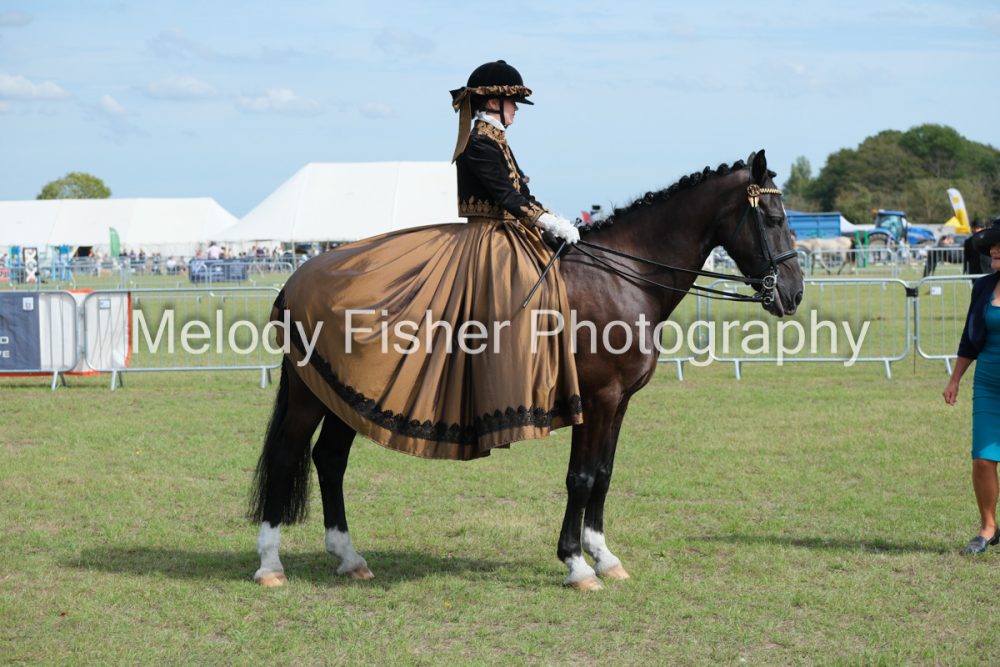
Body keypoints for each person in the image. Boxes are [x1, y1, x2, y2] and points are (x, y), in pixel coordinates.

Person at [276, 60, 583, 460]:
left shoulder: (498, 140)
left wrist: (553, 220)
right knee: (515, 293)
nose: (516, 110)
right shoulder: (480, 142)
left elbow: (521, 193)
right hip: (486, 239)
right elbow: (508, 198)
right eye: (512, 102)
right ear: (493, 101)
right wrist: (547, 222)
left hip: (505, 233)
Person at [943, 218, 1000, 554]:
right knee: (983, 459)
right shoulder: (983, 288)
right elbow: (970, 338)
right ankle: (988, 527)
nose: (993, 250)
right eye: (992, 245)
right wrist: (955, 379)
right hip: (989, 385)